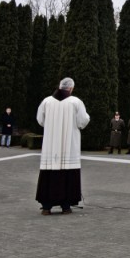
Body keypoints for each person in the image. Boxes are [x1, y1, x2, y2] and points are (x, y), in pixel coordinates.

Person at [35, 77, 90, 215]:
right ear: (71, 88)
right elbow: (82, 121)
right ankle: (66, 206)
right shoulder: (76, 102)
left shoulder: (46, 101)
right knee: (68, 173)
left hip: (50, 146)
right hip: (69, 146)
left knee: (49, 174)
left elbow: (40, 120)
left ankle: (46, 207)